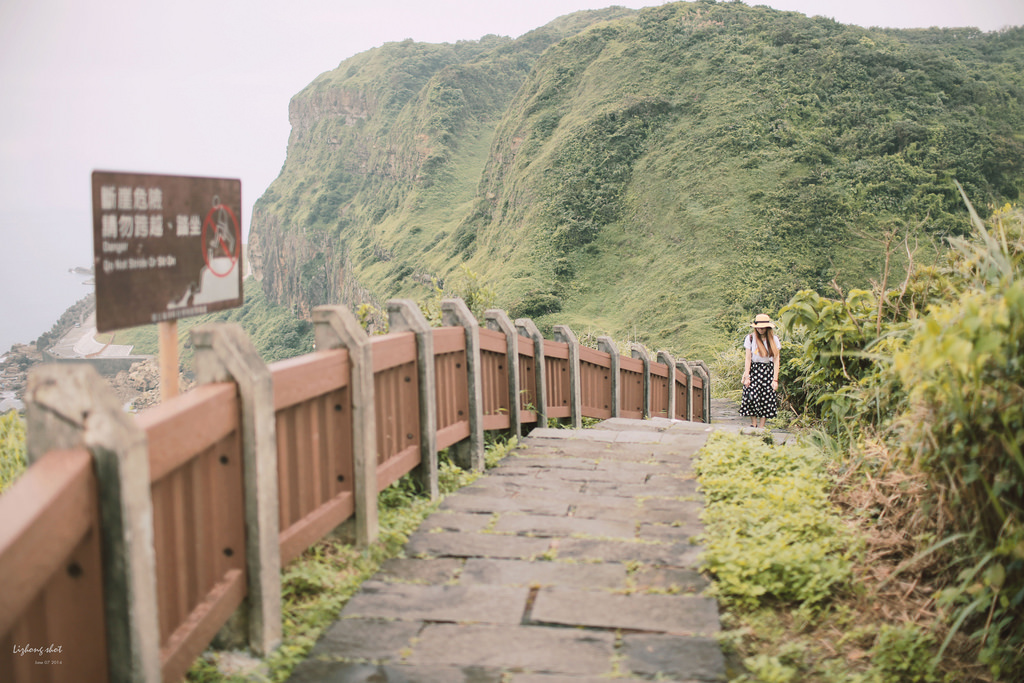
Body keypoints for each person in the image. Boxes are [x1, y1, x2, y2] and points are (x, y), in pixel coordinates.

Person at [740, 313, 780, 429]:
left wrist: (775, 379)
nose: (760, 330)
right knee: (751, 395)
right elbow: (748, 358)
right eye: (758, 328)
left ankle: (762, 426)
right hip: (754, 370)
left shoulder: (774, 340)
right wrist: (747, 376)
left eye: (763, 328)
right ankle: (754, 423)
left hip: (767, 370)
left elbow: (776, 360)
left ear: (767, 328)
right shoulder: (750, 338)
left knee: (766, 398)